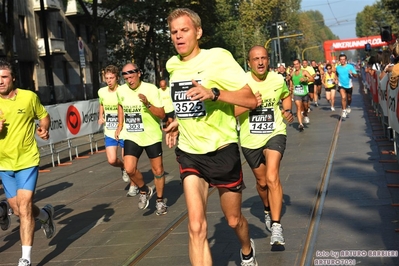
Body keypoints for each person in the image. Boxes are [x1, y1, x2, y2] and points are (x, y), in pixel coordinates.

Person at [164, 8, 259, 266]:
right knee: (196, 227)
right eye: (174, 32)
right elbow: (187, 106)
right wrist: (177, 122)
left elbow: (250, 100)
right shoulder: (172, 65)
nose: (179, 36)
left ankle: (247, 250)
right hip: (190, 154)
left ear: (198, 32)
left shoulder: (218, 58)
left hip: (222, 152)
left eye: (184, 30)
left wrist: (214, 93)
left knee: (233, 219)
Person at [236, 45, 294, 246]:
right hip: (250, 139)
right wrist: (249, 103)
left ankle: (277, 227)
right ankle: (267, 209)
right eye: (255, 59)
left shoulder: (278, 79)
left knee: (272, 177)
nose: (260, 62)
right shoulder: (241, 82)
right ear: (249, 62)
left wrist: (287, 109)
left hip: (275, 133)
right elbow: (229, 111)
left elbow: (286, 95)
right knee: (262, 183)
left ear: (268, 60)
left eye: (263, 58)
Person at [0, 59, 56, 266]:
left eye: (4, 77)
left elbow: (44, 115)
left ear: (13, 78)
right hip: (4, 163)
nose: (0, 82)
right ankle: (45, 215)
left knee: (23, 208)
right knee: (16, 208)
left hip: (26, 159)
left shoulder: (28, 97)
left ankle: (25, 259)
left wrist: (44, 128)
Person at [115, 63, 168, 215]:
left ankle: (159, 201)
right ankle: (144, 190)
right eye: (126, 78)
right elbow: (120, 105)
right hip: (132, 135)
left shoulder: (151, 89)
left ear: (139, 74)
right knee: (129, 168)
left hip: (151, 135)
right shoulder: (122, 90)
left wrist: (147, 103)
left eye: (131, 77)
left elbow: (162, 115)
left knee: (158, 170)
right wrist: (120, 124)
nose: (129, 81)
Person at [98, 65, 139, 197]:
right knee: (112, 160)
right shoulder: (102, 91)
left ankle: (133, 186)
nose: (109, 80)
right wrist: (100, 116)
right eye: (107, 78)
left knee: (128, 161)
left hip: (124, 130)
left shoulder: (123, 90)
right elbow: (101, 104)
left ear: (117, 78)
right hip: (109, 130)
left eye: (111, 78)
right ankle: (123, 168)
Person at [290, 58, 314, 131]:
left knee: (306, 107)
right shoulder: (292, 73)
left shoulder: (304, 72)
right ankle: (300, 124)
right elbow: (291, 80)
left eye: (297, 64)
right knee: (298, 107)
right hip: (297, 93)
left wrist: (305, 79)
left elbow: (312, 79)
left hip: (304, 93)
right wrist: (291, 87)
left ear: (300, 64)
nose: (296, 66)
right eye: (294, 64)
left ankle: (305, 114)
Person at [335, 53, 358, 118]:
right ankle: (344, 111)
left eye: (343, 59)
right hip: (341, 85)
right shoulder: (338, 68)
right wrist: (336, 79)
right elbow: (336, 74)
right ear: (339, 60)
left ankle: (348, 106)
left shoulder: (350, 66)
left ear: (346, 60)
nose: (342, 61)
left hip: (349, 85)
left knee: (349, 98)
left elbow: (356, 76)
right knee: (343, 97)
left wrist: (352, 73)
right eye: (341, 59)